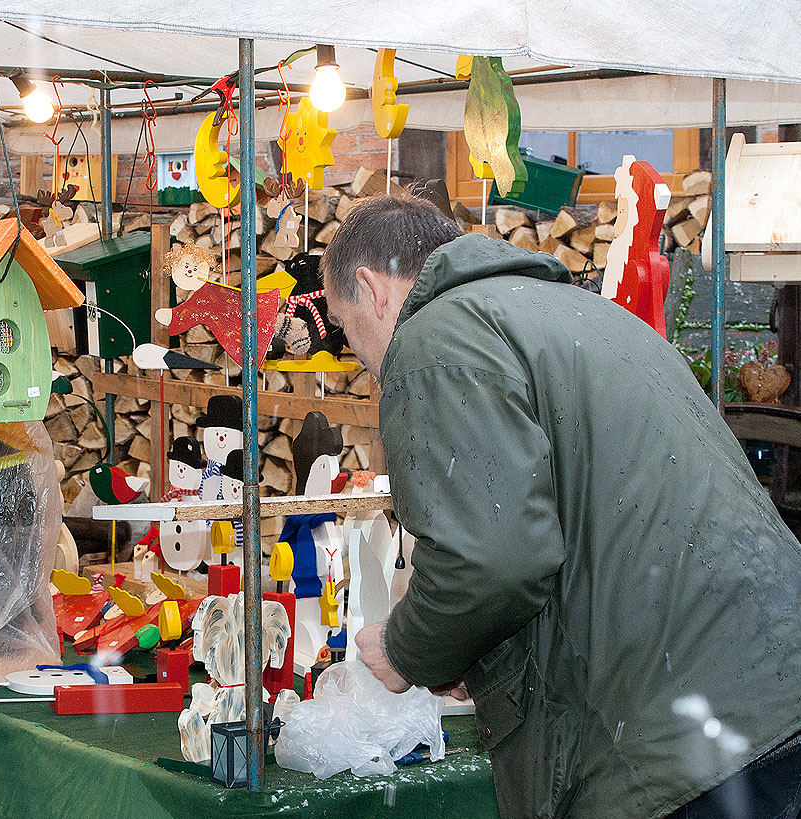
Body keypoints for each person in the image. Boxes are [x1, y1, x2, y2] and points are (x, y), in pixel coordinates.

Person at [321, 195, 801, 819]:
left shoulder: (436, 339)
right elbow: (583, 530)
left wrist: (408, 649)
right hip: (772, 688)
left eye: (347, 328)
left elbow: (490, 564)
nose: (361, 360)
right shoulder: (583, 313)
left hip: (685, 743)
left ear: (372, 288)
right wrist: (482, 652)